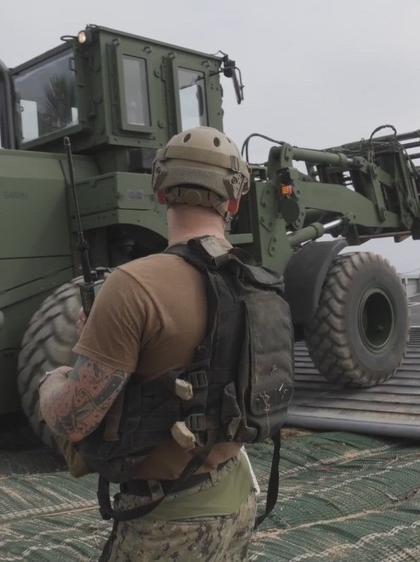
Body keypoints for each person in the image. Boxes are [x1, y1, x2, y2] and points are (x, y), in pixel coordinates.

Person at [39, 126, 261, 561]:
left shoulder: (132, 285)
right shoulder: (253, 279)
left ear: (160, 193)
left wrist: (53, 378)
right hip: (237, 496)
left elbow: (73, 419)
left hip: (170, 521)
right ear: (233, 202)